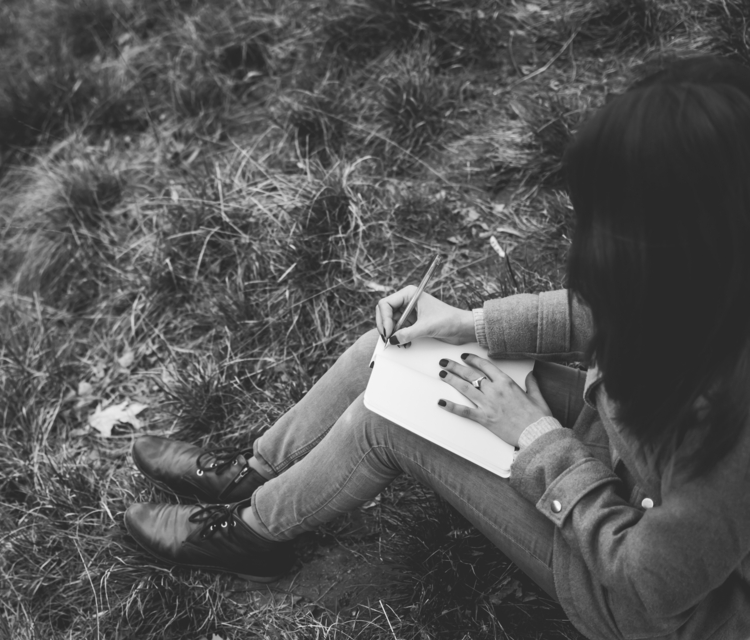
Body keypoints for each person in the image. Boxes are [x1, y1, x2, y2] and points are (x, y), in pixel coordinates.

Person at [123, 55, 750, 640]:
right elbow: (610, 311)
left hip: (635, 600)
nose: (580, 237)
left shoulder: (732, 436)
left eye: (601, 221)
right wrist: (469, 324)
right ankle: (258, 470)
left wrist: (537, 439)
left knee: (388, 421)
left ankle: (253, 535)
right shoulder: (711, 280)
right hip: (605, 455)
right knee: (390, 346)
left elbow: (649, 579)